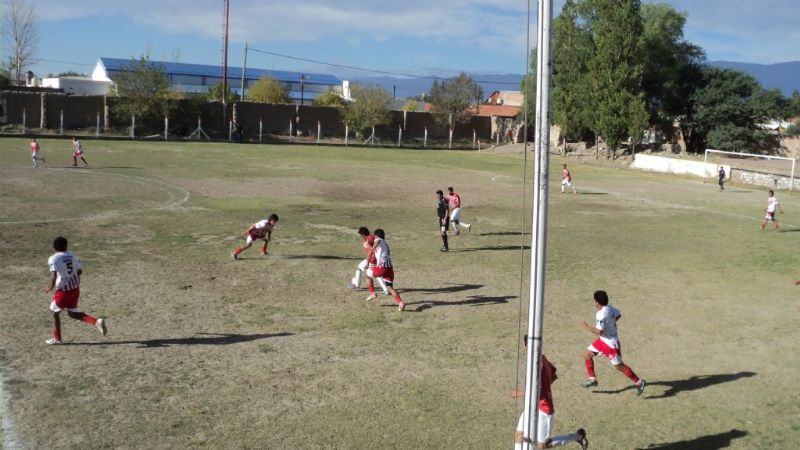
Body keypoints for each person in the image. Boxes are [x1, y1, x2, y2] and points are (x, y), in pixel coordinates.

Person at [511, 347, 589, 449]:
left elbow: (536, 392)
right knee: (518, 435)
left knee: (543, 445)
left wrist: (517, 393)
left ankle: (578, 436)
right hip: (532, 406)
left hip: (544, 408)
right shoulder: (542, 358)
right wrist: (546, 385)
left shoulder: (538, 365)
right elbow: (554, 373)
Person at [580, 290, 646, 395]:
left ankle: (639, 382)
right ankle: (593, 380)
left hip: (610, 345)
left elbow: (599, 331)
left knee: (619, 366)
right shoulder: (609, 308)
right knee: (587, 355)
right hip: (603, 340)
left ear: (597, 302)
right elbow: (618, 315)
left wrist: (586, 327)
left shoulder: (600, 314)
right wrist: (610, 324)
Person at [45, 236, 108, 344]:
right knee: (72, 314)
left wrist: (50, 287)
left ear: (54, 247)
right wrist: (72, 278)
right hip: (75, 289)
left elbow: (54, 276)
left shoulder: (53, 259)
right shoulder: (72, 255)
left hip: (64, 291)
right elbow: (79, 271)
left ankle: (57, 339)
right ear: (66, 246)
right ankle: (96, 322)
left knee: (54, 313)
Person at [364, 229, 405, 310]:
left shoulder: (378, 240)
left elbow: (375, 244)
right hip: (389, 268)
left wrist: (369, 256)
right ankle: (401, 302)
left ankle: (372, 293)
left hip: (382, 267)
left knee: (367, 276)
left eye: (374, 236)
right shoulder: (386, 243)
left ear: (377, 235)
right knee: (389, 288)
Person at [350, 226, 377, 301]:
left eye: (361, 235)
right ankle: (386, 289)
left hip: (372, 259)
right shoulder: (371, 237)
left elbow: (372, 250)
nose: (361, 237)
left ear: (363, 234)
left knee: (362, 270)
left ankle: (357, 285)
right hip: (374, 258)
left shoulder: (369, 239)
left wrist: (368, 261)